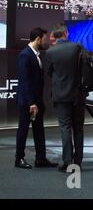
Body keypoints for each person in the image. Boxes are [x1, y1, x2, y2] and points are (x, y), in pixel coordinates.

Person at [46, 23, 87, 172]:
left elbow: (50, 72)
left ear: (55, 36)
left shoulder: (50, 52)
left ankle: (67, 162)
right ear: (65, 33)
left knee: (65, 129)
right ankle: (78, 162)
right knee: (78, 129)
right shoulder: (77, 47)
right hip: (78, 95)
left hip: (61, 95)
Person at [15, 28, 58, 169]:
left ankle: (40, 158)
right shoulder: (25, 55)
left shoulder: (36, 55)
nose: (45, 41)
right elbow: (24, 81)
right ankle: (19, 158)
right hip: (28, 102)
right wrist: (31, 102)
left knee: (39, 130)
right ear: (38, 39)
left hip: (37, 101)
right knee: (23, 129)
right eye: (44, 39)